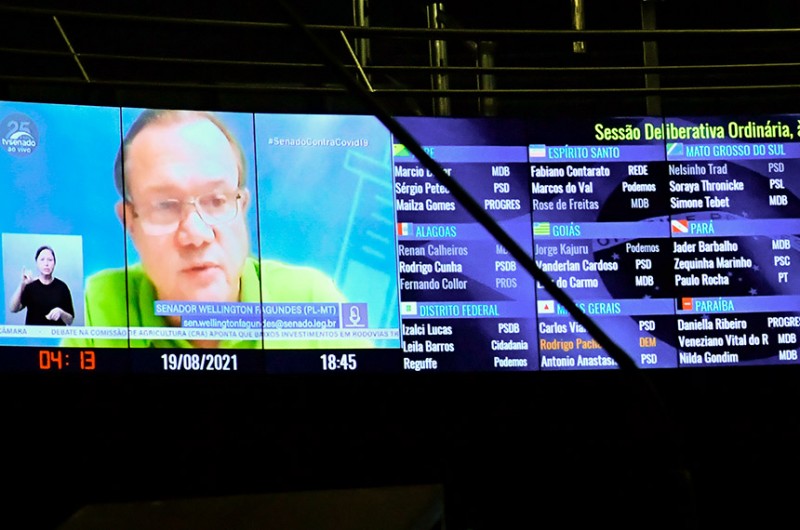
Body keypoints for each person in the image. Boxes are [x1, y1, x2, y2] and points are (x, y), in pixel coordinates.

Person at [65, 109, 367, 349]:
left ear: (242, 207)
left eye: (217, 200)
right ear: (130, 221)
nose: (196, 235)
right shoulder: (97, 305)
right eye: (165, 205)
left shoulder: (311, 299)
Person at [8, 245, 75, 326]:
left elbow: (70, 320)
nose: (46, 264)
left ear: (54, 263)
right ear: (37, 263)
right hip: (33, 333)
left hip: (55, 333)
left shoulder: (62, 287)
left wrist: (61, 313)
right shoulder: (30, 286)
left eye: (50, 260)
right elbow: (13, 309)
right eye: (42, 260)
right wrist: (22, 284)